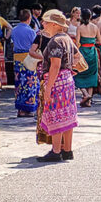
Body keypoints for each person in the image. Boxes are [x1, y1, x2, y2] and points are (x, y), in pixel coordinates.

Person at [35, 9, 80, 162]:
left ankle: (55, 151)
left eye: (46, 22)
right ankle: (67, 150)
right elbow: (77, 56)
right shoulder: (66, 38)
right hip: (67, 79)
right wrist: (70, 69)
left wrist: (48, 89)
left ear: (54, 24)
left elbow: (55, 65)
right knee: (67, 115)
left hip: (57, 81)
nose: (43, 24)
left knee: (56, 115)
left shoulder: (55, 41)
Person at [11, 9, 39, 117]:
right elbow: (34, 46)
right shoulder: (31, 31)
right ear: (29, 18)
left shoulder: (14, 30)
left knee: (19, 84)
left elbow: (12, 44)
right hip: (28, 59)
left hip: (17, 59)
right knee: (30, 83)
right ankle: (28, 108)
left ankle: (20, 108)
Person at [74, 8, 101, 107]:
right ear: (91, 16)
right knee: (92, 74)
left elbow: (77, 42)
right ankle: (89, 100)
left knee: (79, 74)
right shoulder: (95, 27)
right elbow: (100, 41)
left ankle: (85, 94)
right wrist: (91, 42)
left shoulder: (80, 27)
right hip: (92, 52)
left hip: (83, 51)